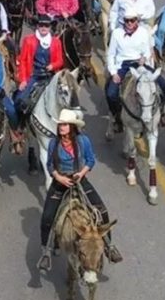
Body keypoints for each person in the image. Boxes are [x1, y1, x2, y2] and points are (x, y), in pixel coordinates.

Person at [37, 109, 121, 272]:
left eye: (65, 124)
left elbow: (90, 160)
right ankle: (46, 252)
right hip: (60, 182)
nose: (61, 127)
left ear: (73, 127)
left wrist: (81, 173)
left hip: (80, 180)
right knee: (47, 218)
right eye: (60, 124)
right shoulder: (54, 143)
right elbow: (49, 165)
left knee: (102, 210)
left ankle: (109, 247)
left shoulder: (83, 141)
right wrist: (59, 178)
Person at [105, 9, 165, 126]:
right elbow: (111, 54)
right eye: (127, 20)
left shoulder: (143, 33)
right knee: (111, 93)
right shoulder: (116, 33)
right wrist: (114, 73)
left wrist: (145, 58)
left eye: (132, 20)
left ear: (137, 21)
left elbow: (148, 51)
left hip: (140, 63)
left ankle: (161, 111)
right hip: (122, 65)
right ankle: (116, 116)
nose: (129, 23)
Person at [14, 15, 64, 116]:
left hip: (50, 76)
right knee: (20, 100)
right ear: (37, 26)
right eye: (41, 25)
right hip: (34, 75)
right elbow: (23, 61)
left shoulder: (56, 42)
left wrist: (53, 66)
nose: (44, 28)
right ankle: (19, 126)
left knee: (64, 101)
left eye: (46, 25)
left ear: (50, 27)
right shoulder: (28, 40)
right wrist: (23, 80)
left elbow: (60, 61)